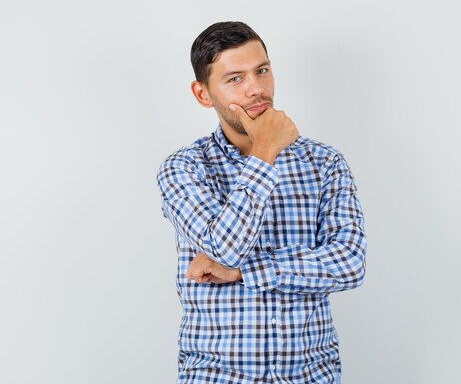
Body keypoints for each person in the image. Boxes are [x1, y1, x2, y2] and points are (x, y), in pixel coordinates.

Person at [156, 21, 367, 384]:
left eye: (262, 71)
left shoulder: (325, 163)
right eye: (235, 78)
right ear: (203, 93)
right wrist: (266, 150)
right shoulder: (183, 169)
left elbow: (350, 262)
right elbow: (223, 249)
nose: (257, 89)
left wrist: (243, 272)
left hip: (310, 376)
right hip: (217, 377)